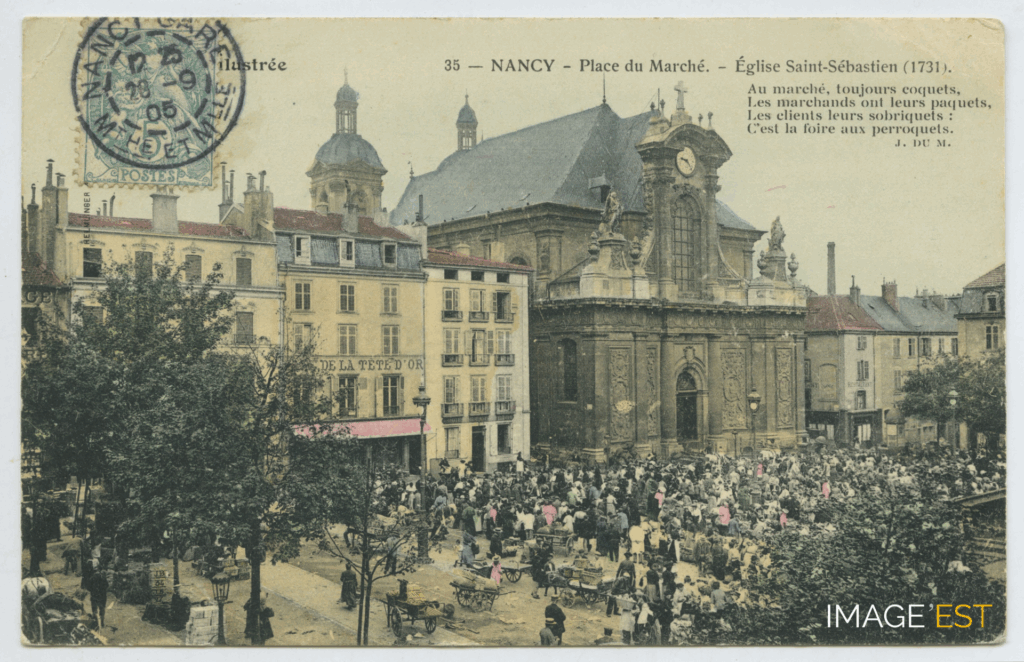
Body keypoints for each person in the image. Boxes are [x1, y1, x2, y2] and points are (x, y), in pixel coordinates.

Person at [85, 563, 109, 629]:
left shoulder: (92, 577)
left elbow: (88, 587)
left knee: (94, 610)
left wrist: (93, 591)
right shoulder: (103, 578)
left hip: (94, 596)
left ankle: (96, 623)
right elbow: (107, 586)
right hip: (102, 596)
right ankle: (102, 623)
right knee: (102, 609)